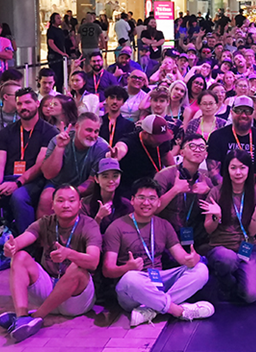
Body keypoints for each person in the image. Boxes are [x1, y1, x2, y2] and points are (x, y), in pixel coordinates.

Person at [103, 178, 213, 327]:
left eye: (152, 198)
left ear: (159, 202)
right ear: (132, 200)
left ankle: (151, 309)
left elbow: (182, 258)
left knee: (201, 270)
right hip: (134, 288)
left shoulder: (163, 225)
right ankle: (179, 311)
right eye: (141, 198)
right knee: (130, 278)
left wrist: (193, 258)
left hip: (159, 281)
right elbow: (107, 270)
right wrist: (127, 268)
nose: (146, 203)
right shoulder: (116, 227)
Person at [0, 185, 102, 342]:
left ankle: (36, 317)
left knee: (77, 268)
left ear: (80, 204)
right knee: (20, 257)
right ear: (52, 205)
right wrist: (12, 246)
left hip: (76, 299)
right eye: (60, 201)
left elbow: (93, 262)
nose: (66, 205)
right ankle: (22, 317)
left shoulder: (89, 225)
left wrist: (69, 254)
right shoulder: (45, 222)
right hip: (49, 286)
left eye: (71, 200)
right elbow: (24, 239)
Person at [0, 88, 58, 239]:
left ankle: (27, 245)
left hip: (34, 181)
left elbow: (40, 165)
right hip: (7, 178)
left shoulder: (49, 132)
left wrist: (17, 183)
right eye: (19, 104)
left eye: (28, 102)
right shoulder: (6, 132)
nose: (23, 107)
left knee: (19, 197)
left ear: (37, 103)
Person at [201, 150, 256, 303]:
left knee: (251, 296)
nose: (238, 172)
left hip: (247, 247)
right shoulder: (216, 193)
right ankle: (225, 279)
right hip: (221, 247)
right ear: (227, 170)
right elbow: (208, 229)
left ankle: (237, 277)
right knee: (227, 259)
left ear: (249, 170)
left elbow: (252, 232)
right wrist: (216, 216)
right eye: (233, 168)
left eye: (242, 168)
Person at [38, 112, 110, 216]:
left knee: (76, 201)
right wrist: (60, 147)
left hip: (83, 188)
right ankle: (45, 227)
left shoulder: (102, 147)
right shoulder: (58, 140)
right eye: (89, 130)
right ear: (77, 127)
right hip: (57, 184)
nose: (93, 135)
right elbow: (48, 174)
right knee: (46, 198)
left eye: (96, 131)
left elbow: (92, 181)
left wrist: (71, 193)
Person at [154, 133, 214, 251]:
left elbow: (221, 208)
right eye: (192, 146)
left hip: (196, 238)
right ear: (182, 152)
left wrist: (208, 191)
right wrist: (175, 190)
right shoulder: (165, 175)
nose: (197, 150)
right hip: (166, 238)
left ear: (206, 155)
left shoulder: (206, 181)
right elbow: (152, 209)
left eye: (201, 147)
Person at [206, 96, 256, 177]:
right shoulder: (217, 137)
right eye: (239, 111)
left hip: (254, 184)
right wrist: (225, 185)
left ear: (253, 113)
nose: (243, 115)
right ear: (231, 112)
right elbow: (213, 172)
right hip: (224, 183)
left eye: (248, 111)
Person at [80, 158, 132, 233]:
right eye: (105, 176)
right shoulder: (85, 205)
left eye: (115, 176)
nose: (111, 181)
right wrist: (99, 217)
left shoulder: (127, 205)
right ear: (96, 179)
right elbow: (84, 235)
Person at [46, 13, 70, 92]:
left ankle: (60, 93)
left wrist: (64, 54)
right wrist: (60, 52)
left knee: (61, 78)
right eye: (58, 18)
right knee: (55, 76)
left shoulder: (60, 30)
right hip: (54, 57)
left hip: (61, 57)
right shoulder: (51, 30)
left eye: (60, 18)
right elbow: (51, 43)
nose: (60, 20)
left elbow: (63, 44)